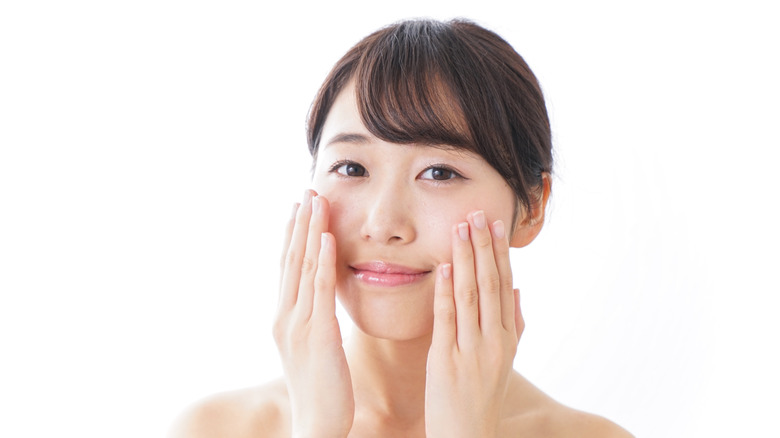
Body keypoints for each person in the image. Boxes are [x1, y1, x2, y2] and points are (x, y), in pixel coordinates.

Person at [171, 18, 633, 437]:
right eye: (352, 168)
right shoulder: (214, 429)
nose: (383, 224)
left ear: (531, 208)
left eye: (439, 173)